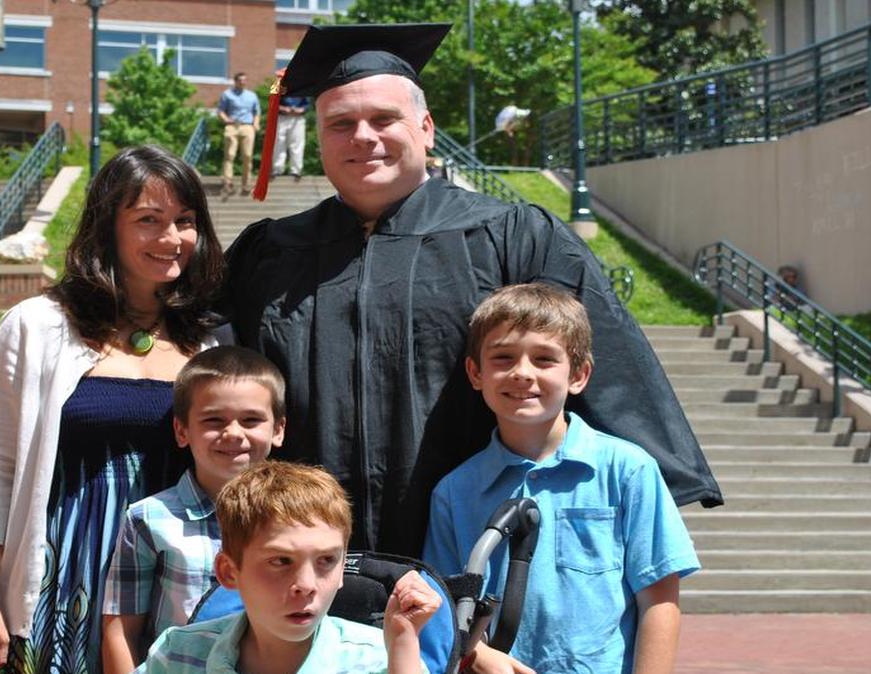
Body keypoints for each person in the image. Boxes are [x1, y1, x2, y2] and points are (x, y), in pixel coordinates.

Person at [225, 23, 722, 556]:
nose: (362, 137)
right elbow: (196, 356)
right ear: (319, 137)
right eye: (340, 124)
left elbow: (598, 364)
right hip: (308, 558)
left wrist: (632, 510)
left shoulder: (513, 236)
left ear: (427, 128)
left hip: (480, 548)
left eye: (384, 119)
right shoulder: (270, 252)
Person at [0, 145, 225, 674]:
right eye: (149, 220)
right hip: (64, 578)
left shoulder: (207, 343)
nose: (172, 239)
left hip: (171, 587)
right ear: (108, 228)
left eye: (185, 221)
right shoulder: (38, 327)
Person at [423, 283, 699, 674]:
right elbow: (443, 605)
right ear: (475, 372)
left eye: (544, 359)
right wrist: (480, 657)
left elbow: (659, 601)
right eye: (503, 357)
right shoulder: (454, 492)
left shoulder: (627, 470)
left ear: (579, 374)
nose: (522, 373)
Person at [136, 461, 442, 674]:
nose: (306, 584)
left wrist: (403, 643)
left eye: (326, 560)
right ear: (229, 572)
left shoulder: (380, 658)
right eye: (280, 561)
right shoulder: (177, 653)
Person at [100, 346, 287, 674]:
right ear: (182, 430)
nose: (233, 433)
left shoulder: (301, 518)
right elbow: (120, 631)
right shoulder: (148, 519)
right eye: (214, 420)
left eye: (251, 420)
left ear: (278, 429)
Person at [217, 72, 260, 195]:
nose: (243, 82)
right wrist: (226, 119)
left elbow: (256, 112)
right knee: (229, 155)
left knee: (247, 155)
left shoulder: (252, 96)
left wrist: (256, 124)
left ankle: (246, 184)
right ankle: (228, 182)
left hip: (247, 127)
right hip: (232, 127)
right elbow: (220, 111)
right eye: (240, 80)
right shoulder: (227, 94)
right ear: (235, 81)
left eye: (244, 80)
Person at [272, 88, 309, 180]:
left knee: (297, 144)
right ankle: (277, 169)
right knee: (279, 143)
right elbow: (272, 100)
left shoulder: (303, 86)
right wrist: (283, 108)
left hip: (297, 118)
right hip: (282, 117)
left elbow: (307, 104)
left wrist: (301, 109)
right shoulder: (278, 84)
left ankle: (296, 170)